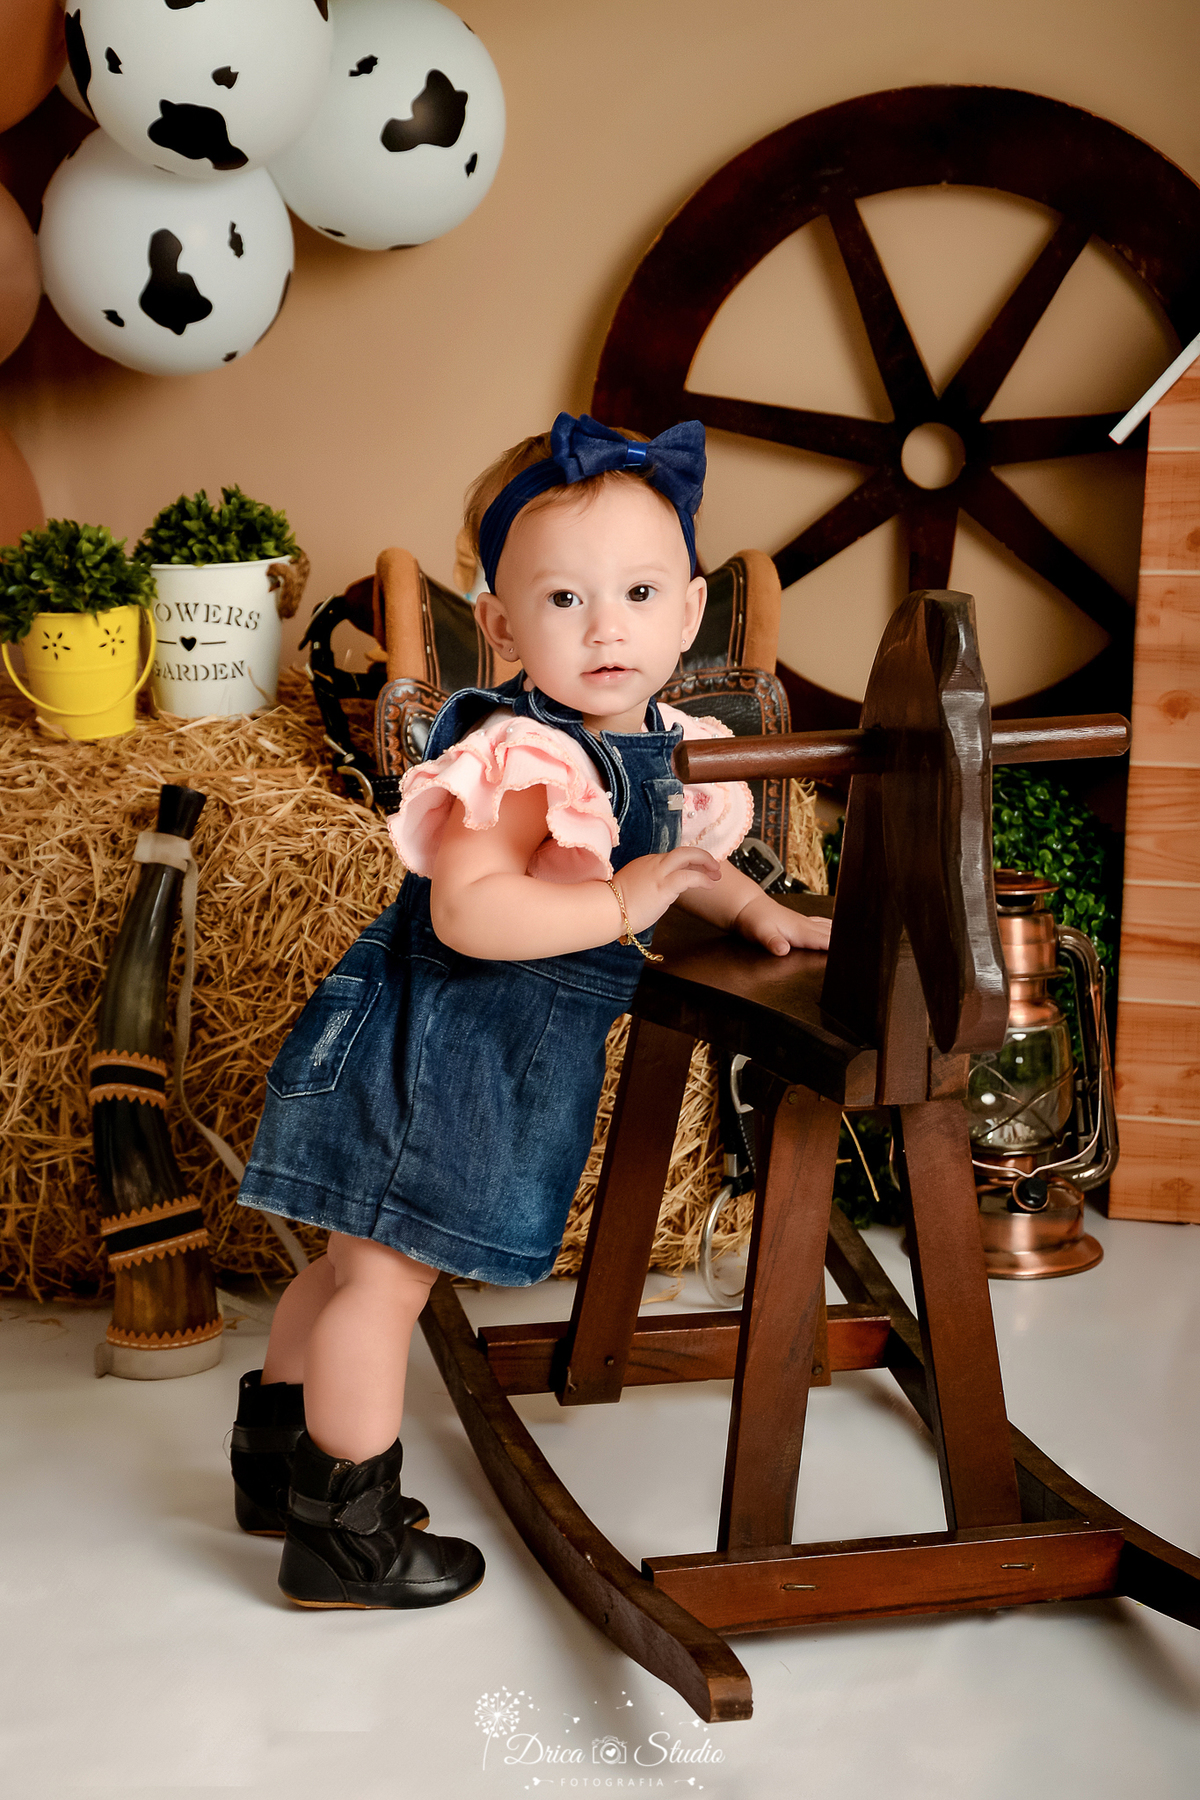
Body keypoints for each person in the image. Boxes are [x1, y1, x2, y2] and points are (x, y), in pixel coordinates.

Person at [230, 413, 832, 1611]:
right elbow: (470, 912)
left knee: (349, 1267)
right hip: (431, 1050)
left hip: (490, 1060)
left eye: (639, 594)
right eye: (564, 600)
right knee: (382, 1287)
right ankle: (344, 1538)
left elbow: (682, 867)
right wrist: (617, 903)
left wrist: (756, 911)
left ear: (689, 613)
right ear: (501, 627)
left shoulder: (669, 743)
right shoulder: (521, 757)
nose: (606, 628)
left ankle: (281, 1470)